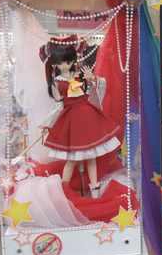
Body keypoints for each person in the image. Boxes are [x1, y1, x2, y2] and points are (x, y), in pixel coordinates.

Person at [39, 36, 120, 197]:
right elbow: (58, 105)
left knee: (91, 156)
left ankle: (94, 189)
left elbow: (95, 90)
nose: (64, 65)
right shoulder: (57, 82)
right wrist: (49, 124)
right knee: (72, 159)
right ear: (55, 63)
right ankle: (64, 190)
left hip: (88, 116)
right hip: (73, 119)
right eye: (60, 62)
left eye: (68, 62)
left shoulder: (80, 75)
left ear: (73, 61)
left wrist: (92, 78)